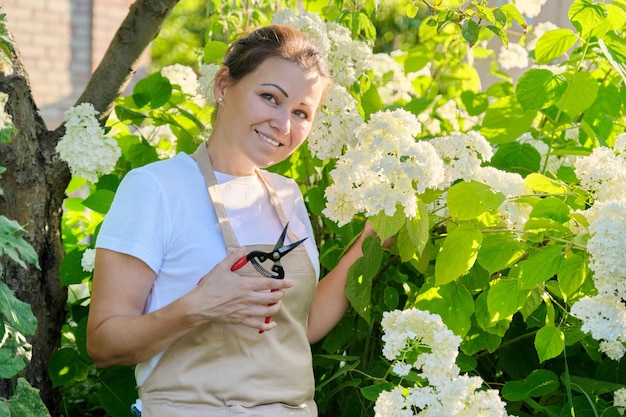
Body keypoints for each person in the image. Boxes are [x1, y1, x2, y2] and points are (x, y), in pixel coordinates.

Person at [86, 24, 381, 417]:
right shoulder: (155, 188)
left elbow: (299, 327)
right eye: (269, 98)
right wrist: (197, 307)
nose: (284, 124)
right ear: (223, 86)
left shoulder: (288, 196)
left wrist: (371, 241)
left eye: (301, 112)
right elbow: (104, 344)